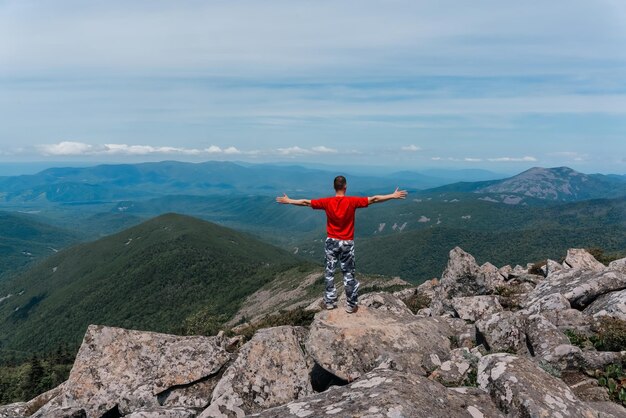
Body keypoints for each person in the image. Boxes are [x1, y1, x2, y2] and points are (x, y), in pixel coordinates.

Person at [276, 175, 407, 313]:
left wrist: (289, 200)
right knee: (348, 273)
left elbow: (305, 202)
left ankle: (330, 302)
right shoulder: (352, 201)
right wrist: (393, 195)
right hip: (347, 243)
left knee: (329, 271)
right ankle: (351, 305)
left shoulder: (327, 202)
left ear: (334, 187)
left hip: (331, 242)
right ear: (345, 186)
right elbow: (374, 199)